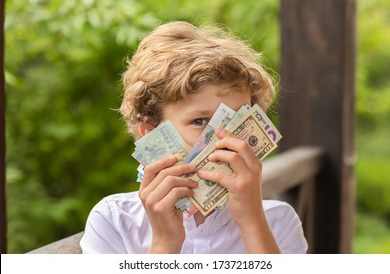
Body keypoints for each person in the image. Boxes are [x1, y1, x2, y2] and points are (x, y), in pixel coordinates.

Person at [80, 21, 308, 254]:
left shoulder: (279, 221)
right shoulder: (113, 222)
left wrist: (252, 222)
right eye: (200, 122)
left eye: (238, 121)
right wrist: (164, 244)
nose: (225, 141)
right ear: (151, 134)